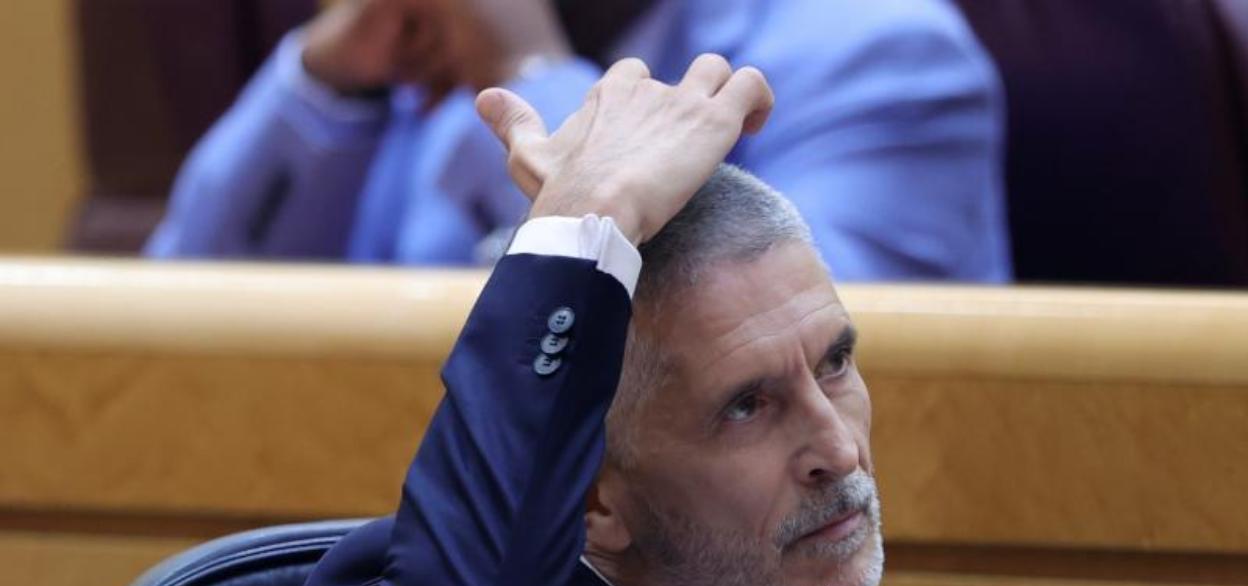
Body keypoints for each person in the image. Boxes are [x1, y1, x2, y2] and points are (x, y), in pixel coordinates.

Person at [282, 54, 1020, 586]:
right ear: (595, 500)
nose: (840, 450)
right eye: (748, 405)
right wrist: (584, 219)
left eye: (834, 364)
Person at [145, 0, 1011, 282]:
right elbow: (164, 352)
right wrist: (330, 84)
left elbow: (800, 371)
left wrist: (527, 77)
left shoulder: (884, 55)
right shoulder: (430, 48)